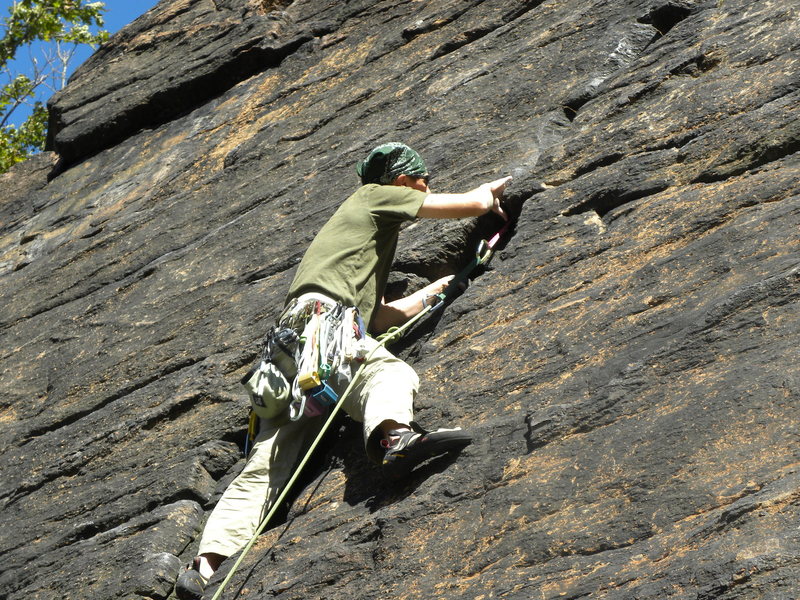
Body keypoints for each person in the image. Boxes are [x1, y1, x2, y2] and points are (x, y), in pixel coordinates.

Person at [176, 142, 511, 599]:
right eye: (421, 179)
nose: (426, 186)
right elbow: (461, 206)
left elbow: (378, 318)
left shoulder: (359, 251)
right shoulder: (373, 196)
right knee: (388, 374)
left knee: (267, 462)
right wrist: (488, 198)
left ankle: (205, 565)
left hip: (289, 354)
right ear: (400, 181)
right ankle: (393, 437)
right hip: (325, 328)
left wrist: (443, 286)